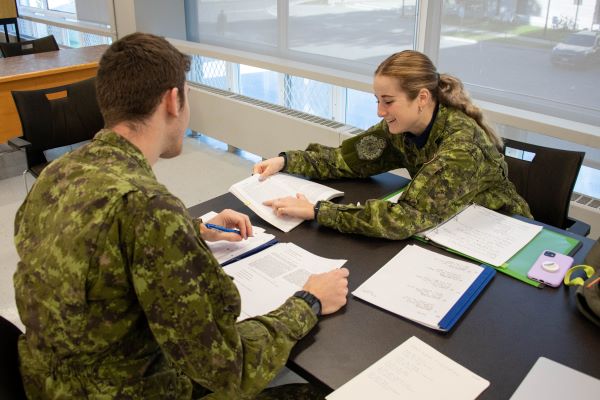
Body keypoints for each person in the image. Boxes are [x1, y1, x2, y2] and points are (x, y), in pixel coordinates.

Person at [13, 32, 349, 399]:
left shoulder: (57, 174)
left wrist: (195, 230)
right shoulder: (148, 208)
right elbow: (227, 368)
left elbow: (91, 242)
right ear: (173, 100)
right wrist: (309, 302)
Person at [254, 50, 531, 240]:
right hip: (451, 225)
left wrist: (317, 211)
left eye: (388, 101)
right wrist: (285, 161)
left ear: (422, 98)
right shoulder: (400, 129)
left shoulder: (461, 146)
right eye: (377, 100)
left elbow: (406, 217)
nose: (380, 111)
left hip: (499, 234)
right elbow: (344, 159)